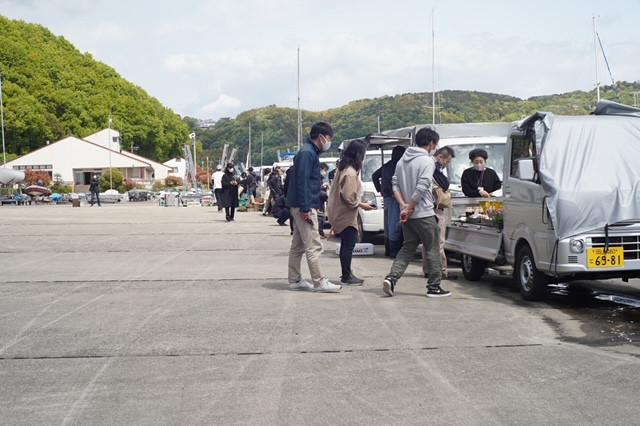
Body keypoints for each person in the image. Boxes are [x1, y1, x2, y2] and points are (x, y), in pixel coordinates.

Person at [382, 127, 451, 298]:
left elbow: (395, 185)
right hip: (424, 213)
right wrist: (411, 206)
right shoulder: (427, 161)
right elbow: (423, 185)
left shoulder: (402, 161)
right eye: (435, 144)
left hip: (407, 214)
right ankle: (434, 286)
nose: (435, 148)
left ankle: (392, 278)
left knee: (407, 247)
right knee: (433, 248)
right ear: (430, 143)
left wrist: (404, 206)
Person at [286, 122, 342, 293]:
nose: (329, 142)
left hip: (299, 204)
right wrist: (305, 209)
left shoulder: (307, 152)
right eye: (329, 138)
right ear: (321, 137)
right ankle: (319, 281)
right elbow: (302, 182)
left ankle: (295, 279)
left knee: (298, 246)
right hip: (304, 206)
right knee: (314, 245)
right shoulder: (307, 153)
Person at [328, 139, 374, 285]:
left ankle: (347, 273)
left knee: (346, 245)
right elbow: (349, 197)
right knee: (348, 245)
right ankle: (346, 275)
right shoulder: (350, 172)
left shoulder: (343, 168)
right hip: (346, 214)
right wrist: (362, 205)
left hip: (340, 211)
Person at [423, 146, 457, 280]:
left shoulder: (426, 166)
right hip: (435, 208)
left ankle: (428, 269)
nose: (446, 164)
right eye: (446, 161)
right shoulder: (433, 167)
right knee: (439, 242)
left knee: (428, 241)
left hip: (426, 209)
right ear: (440, 157)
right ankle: (441, 270)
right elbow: (446, 184)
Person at [372, 145, 406, 258]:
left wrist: (379, 189)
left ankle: (388, 249)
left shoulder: (386, 165)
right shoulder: (399, 166)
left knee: (387, 224)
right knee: (394, 224)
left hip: (386, 197)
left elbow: (374, 176)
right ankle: (394, 251)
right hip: (394, 197)